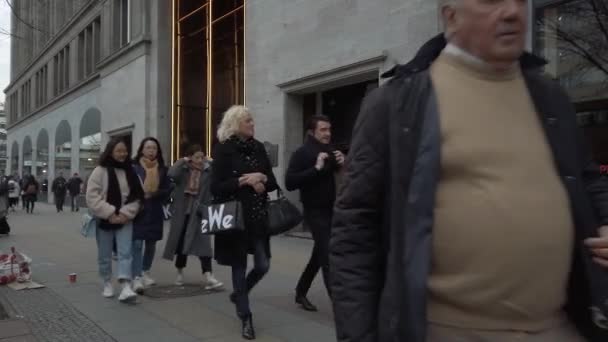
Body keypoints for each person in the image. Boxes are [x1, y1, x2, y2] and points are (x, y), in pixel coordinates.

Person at [330, 1, 608, 342]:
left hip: (559, 327)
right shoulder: (397, 103)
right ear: (451, 16)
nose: (511, 11)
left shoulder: (550, 96)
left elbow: (587, 179)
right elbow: (354, 231)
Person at [211, 105, 278, 340]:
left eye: (252, 120)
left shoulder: (258, 147)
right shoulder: (223, 150)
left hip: (258, 217)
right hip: (236, 218)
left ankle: (240, 293)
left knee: (263, 265)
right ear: (236, 123)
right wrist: (243, 181)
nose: (252, 123)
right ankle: (245, 316)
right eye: (248, 120)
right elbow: (216, 188)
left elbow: (272, 182)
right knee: (238, 266)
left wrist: (260, 178)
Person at [285, 115, 344, 311]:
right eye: (323, 130)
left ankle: (301, 291)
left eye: (329, 129)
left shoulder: (330, 150)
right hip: (314, 211)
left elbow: (340, 173)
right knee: (328, 255)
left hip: (332, 209)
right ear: (312, 132)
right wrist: (316, 168)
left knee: (319, 255)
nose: (327, 133)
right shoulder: (302, 153)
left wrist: (343, 162)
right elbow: (290, 182)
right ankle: (341, 307)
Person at [86, 138, 144, 303]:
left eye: (124, 151)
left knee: (126, 252)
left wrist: (125, 214)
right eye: (118, 150)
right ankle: (106, 282)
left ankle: (126, 285)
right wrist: (110, 213)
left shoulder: (131, 171)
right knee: (104, 254)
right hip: (105, 220)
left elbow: (138, 196)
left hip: (125, 219)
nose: (122, 154)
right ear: (111, 151)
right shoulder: (100, 171)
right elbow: (92, 196)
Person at [162, 144, 223, 290]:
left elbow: (219, 172)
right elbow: (171, 174)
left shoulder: (208, 171)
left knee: (204, 244)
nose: (200, 160)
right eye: (197, 157)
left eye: (202, 157)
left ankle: (208, 275)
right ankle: (179, 272)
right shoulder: (183, 170)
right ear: (190, 157)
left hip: (199, 212)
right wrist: (182, 160)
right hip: (183, 212)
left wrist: (212, 161)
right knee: (182, 244)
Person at [130, 137, 172, 293]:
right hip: (138, 210)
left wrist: (154, 194)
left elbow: (168, 190)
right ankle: (136, 276)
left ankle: (145, 271)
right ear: (142, 149)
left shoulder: (162, 169)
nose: (151, 150)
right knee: (137, 244)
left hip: (154, 210)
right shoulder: (134, 168)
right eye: (148, 147)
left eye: (154, 148)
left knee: (151, 244)